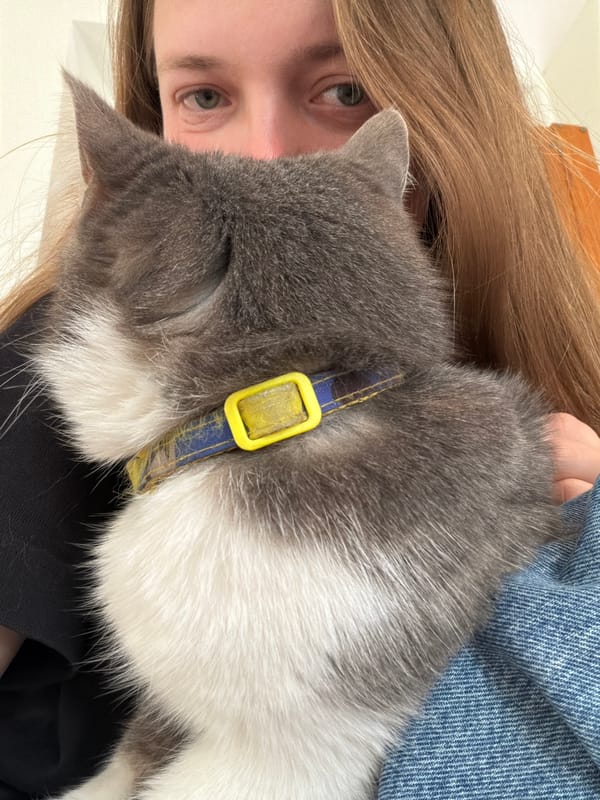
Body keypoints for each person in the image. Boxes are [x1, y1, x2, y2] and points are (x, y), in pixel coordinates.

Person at [1, 0, 599, 797]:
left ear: (451, 113)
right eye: (204, 96)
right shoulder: (59, 353)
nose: (265, 153)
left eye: (345, 92)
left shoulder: (552, 370)